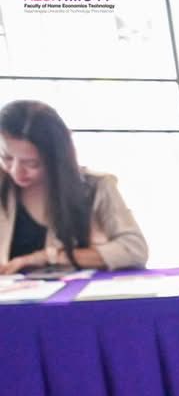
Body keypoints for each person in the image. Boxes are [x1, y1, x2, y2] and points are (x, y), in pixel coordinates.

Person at [0, 100, 147, 273]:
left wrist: (49, 256)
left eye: (32, 163)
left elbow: (134, 249)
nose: (16, 171)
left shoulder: (95, 187)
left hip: (77, 289)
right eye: (6, 158)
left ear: (56, 157)